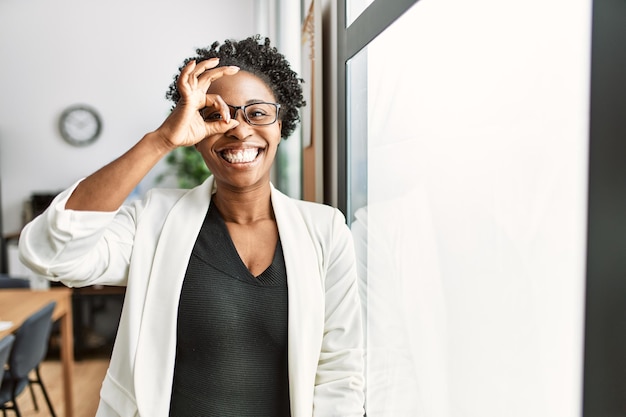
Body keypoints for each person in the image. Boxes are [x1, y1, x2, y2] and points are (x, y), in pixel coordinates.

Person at [18, 35, 364, 417]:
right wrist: (160, 141)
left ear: (281, 124)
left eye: (258, 112)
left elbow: (340, 368)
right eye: (216, 114)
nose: (238, 129)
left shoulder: (325, 230)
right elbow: (51, 253)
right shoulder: (154, 221)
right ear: (195, 136)